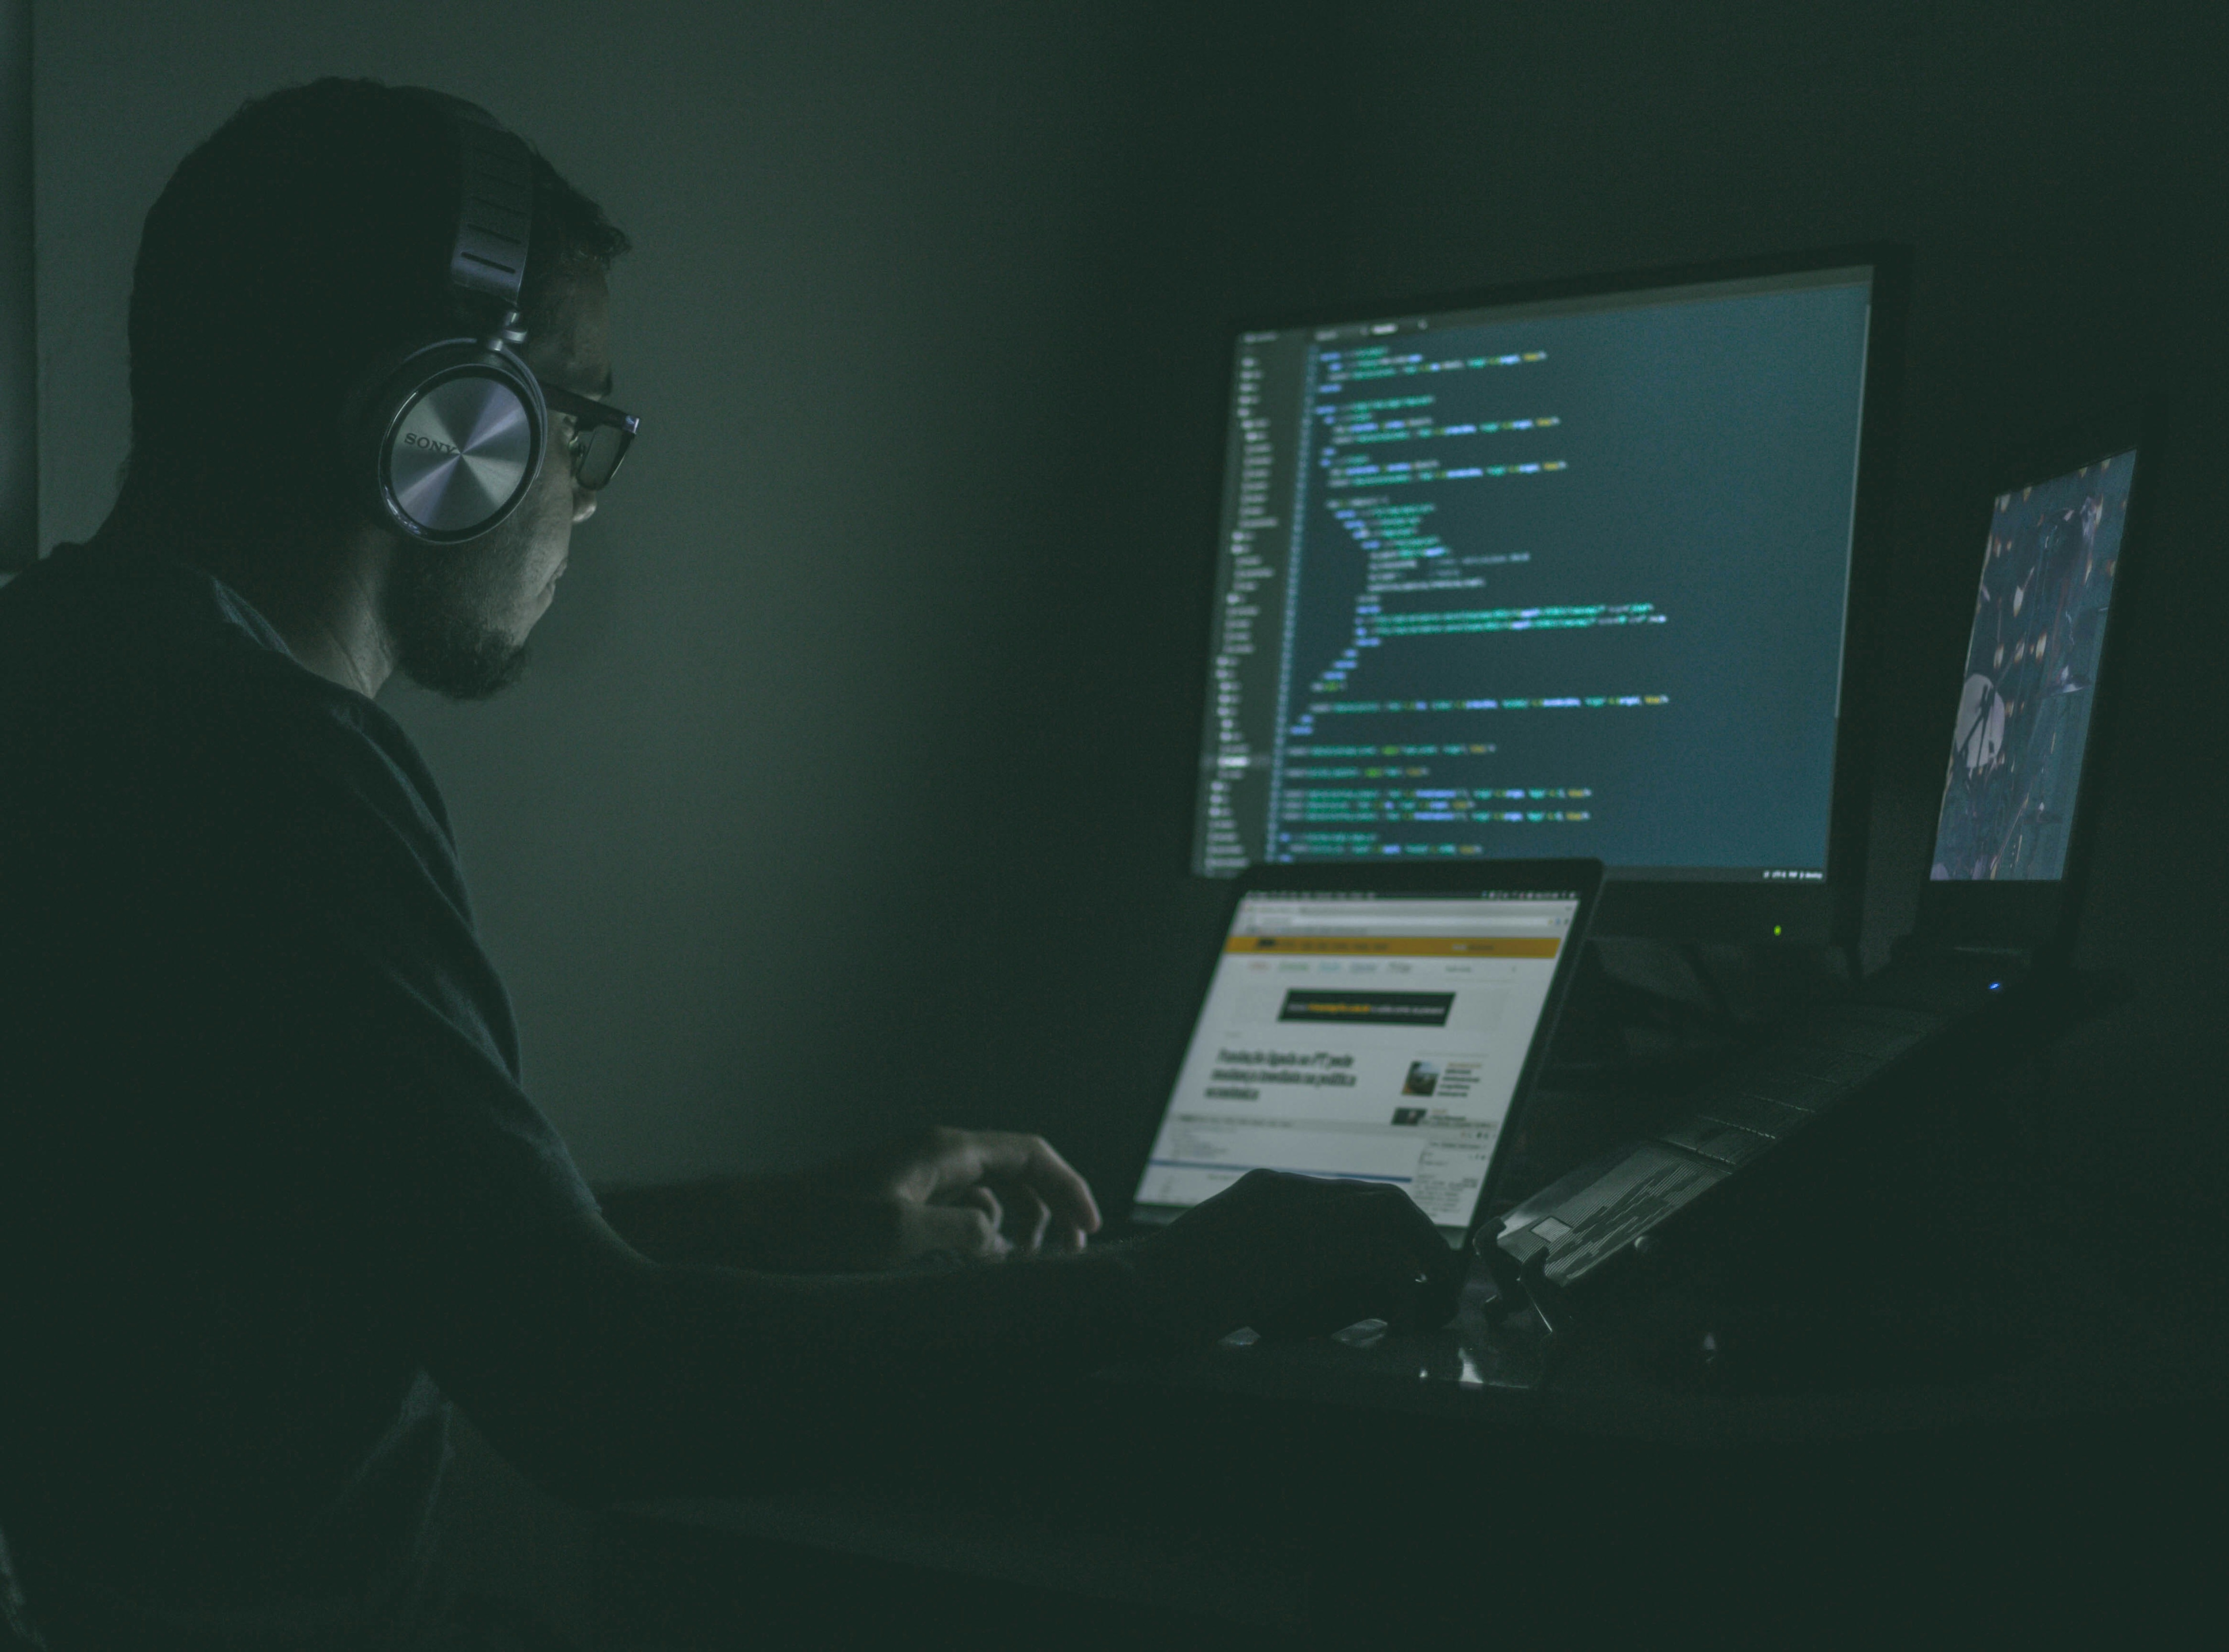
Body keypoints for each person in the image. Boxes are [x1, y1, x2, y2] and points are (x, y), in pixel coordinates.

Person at [0, 80, 1453, 1652]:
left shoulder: (66, 675)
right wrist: (1186, 1284)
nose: (578, 496)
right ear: (447, 431)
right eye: (580, 420)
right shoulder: (269, 763)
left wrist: (787, 1223)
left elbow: (354, 1250)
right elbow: (601, 1393)